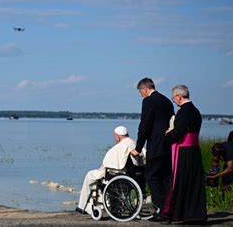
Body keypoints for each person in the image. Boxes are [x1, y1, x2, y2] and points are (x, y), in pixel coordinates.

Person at [130, 77, 174, 221]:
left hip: (156, 145)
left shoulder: (148, 101)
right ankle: (171, 209)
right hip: (168, 145)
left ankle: (161, 210)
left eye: (140, 92)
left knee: (151, 176)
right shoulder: (167, 101)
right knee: (166, 178)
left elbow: (145, 126)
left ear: (145, 89)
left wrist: (138, 147)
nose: (141, 95)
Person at [76, 126, 146, 215]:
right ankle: (94, 205)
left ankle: (82, 206)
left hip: (116, 173)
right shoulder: (135, 144)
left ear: (118, 136)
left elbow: (107, 164)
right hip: (134, 175)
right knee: (96, 178)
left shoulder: (119, 147)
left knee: (90, 176)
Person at [162, 85, 207, 223]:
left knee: (181, 182)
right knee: (194, 183)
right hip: (195, 150)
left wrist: (166, 136)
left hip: (183, 151)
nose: (174, 101)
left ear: (179, 97)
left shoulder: (183, 112)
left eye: (174, 98)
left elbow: (178, 132)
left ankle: (180, 214)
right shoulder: (196, 111)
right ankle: (196, 214)